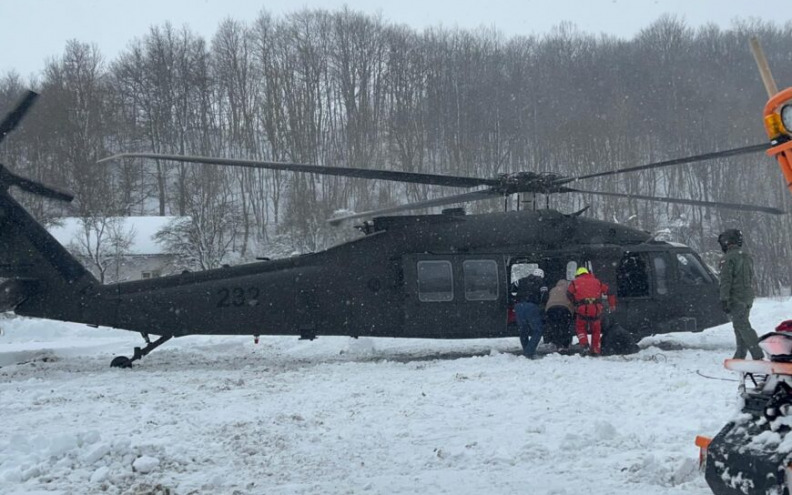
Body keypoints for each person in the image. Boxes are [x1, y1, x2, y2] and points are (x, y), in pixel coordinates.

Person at [718, 229, 762, 360]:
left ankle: (758, 354)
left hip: (736, 297)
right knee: (739, 324)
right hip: (747, 296)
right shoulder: (746, 256)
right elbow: (750, 276)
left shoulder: (728, 258)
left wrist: (724, 298)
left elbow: (726, 280)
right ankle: (740, 354)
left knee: (742, 325)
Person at [566, 266, 616, 356]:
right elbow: (610, 291)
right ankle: (595, 349)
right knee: (596, 329)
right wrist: (612, 305)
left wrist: (575, 303)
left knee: (580, 328)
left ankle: (584, 344)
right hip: (596, 309)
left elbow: (568, 293)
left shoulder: (575, 282)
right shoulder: (597, 281)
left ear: (578, 275)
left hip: (582, 308)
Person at [514, 267, 548, 359]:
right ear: (542, 276)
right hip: (531, 306)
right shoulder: (541, 283)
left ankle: (526, 350)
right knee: (538, 330)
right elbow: (544, 297)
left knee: (523, 330)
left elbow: (512, 287)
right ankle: (529, 352)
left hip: (519, 306)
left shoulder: (521, 280)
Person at [545, 278, 574, 350]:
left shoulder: (553, 289)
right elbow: (572, 300)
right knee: (565, 327)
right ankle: (565, 344)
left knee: (555, 327)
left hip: (551, 309)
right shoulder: (568, 290)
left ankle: (556, 343)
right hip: (564, 309)